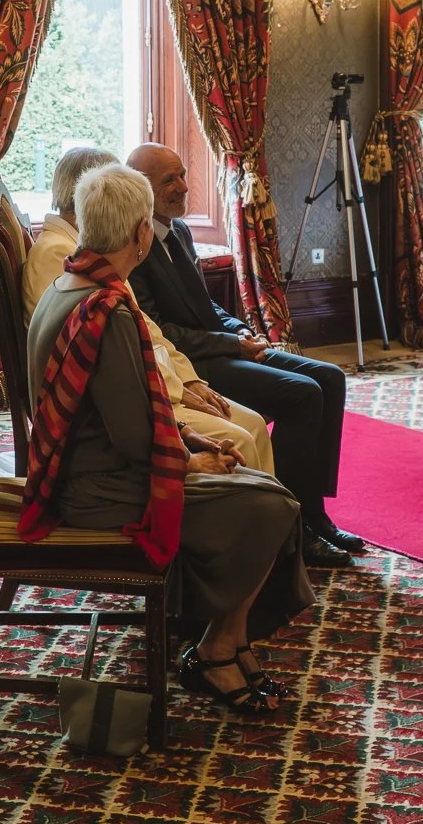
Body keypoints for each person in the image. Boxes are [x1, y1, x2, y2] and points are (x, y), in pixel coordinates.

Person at [26, 164, 314, 715]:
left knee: (264, 492)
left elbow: (122, 408)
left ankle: (232, 644)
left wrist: (189, 437)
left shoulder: (69, 283)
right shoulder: (106, 309)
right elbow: (133, 435)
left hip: (79, 469)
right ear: (140, 233)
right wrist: (190, 462)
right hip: (94, 489)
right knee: (274, 506)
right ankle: (215, 651)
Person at [125, 144, 358, 567]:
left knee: (330, 378)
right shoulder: (133, 245)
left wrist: (239, 330)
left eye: (182, 175)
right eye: (169, 181)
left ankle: (315, 512)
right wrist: (230, 345)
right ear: (140, 188)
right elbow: (161, 333)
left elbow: (204, 305)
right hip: (193, 366)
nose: (183, 187)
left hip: (221, 346)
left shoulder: (179, 231)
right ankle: (293, 522)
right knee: (303, 394)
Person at [24, 147, 275, 474]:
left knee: (252, 425)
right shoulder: (80, 274)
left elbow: (150, 336)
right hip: (96, 451)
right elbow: (123, 411)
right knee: (242, 438)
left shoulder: (90, 266)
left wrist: (188, 383)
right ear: (141, 229)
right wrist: (190, 453)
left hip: (131, 408)